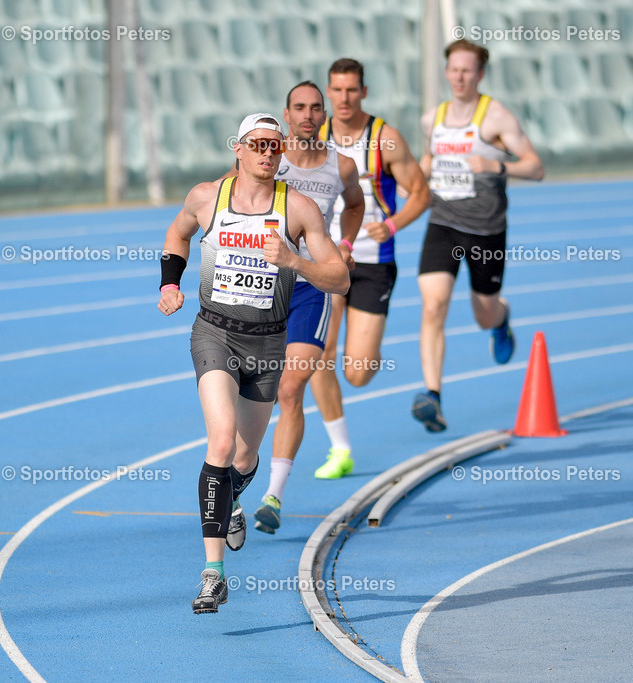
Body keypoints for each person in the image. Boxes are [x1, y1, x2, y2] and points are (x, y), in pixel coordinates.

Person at [158, 113, 349, 614]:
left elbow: (339, 278)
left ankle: (234, 497)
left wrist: (295, 262)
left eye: (274, 144)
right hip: (214, 332)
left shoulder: (299, 208)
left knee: (242, 460)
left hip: (268, 344)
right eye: (257, 144)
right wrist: (169, 284)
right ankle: (212, 573)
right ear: (238, 149)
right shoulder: (207, 197)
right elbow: (176, 237)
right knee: (220, 441)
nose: (266, 152)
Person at [221, 82, 364, 535]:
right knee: (245, 398)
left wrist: (343, 244)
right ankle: (236, 484)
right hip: (262, 292)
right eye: (299, 108)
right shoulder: (265, 160)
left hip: (308, 290)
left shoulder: (340, 166)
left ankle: (273, 496)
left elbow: (356, 205)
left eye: (315, 108)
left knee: (291, 387)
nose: (307, 114)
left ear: (324, 114)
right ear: (285, 116)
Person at [412, 39, 545, 432]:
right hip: (443, 222)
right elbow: (428, 159)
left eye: (467, 70)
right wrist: (416, 182)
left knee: (482, 313)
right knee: (433, 305)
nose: (458, 77)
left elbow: (536, 167)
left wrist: (494, 164)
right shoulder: (431, 120)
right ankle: (431, 396)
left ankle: (501, 318)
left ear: (480, 74)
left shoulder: (497, 118)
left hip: (486, 230)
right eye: (453, 69)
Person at [307, 57, 430, 478]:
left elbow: (420, 192)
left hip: (373, 262)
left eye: (351, 90)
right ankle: (340, 449)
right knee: (318, 355)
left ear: (364, 92)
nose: (343, 99)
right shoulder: (313, 137)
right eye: (336, 91)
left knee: (357, 373)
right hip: (326, 260)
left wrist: (393, 224)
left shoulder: (385, 139)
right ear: (328, 92)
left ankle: (368, 343)